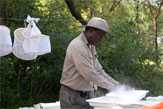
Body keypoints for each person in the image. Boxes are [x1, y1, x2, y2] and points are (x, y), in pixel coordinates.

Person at [59, 17, 119, 109]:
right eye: (100, 35)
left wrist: (117, 85)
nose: (101, 39)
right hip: (73, 96)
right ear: (90, 31)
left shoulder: (90, 46)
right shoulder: (78, 46)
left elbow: (99, 70)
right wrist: (111, 87)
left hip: (86, 95)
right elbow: (89, 74)